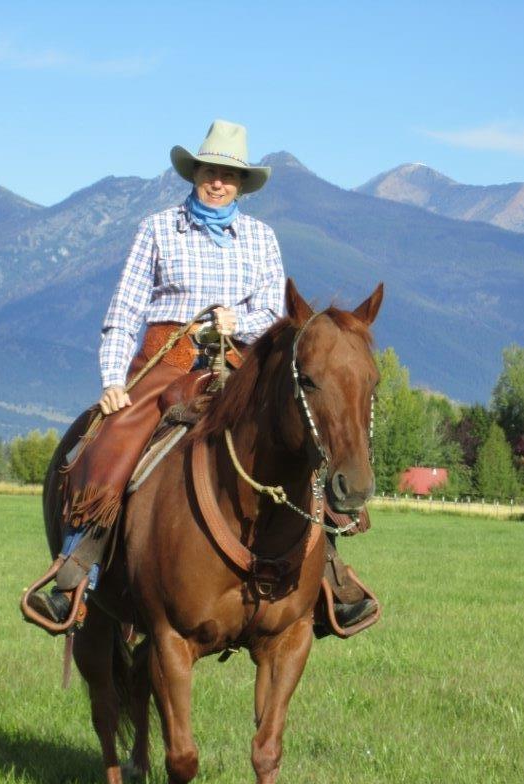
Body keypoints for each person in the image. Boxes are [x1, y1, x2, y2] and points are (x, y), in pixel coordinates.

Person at [28, 119, 376, 633]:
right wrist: (112, 380)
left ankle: (327, 570)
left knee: (299, 439)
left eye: (229, 175)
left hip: (241, 365)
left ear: (242, 185)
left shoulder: (261, 238)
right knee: (112, 440)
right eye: (211, 171)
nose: (219, 182)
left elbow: (277, 315)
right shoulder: (157, 229)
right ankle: (78, 569)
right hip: (165, 360)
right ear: (195, 174)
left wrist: (239, 323)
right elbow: (124, 312)